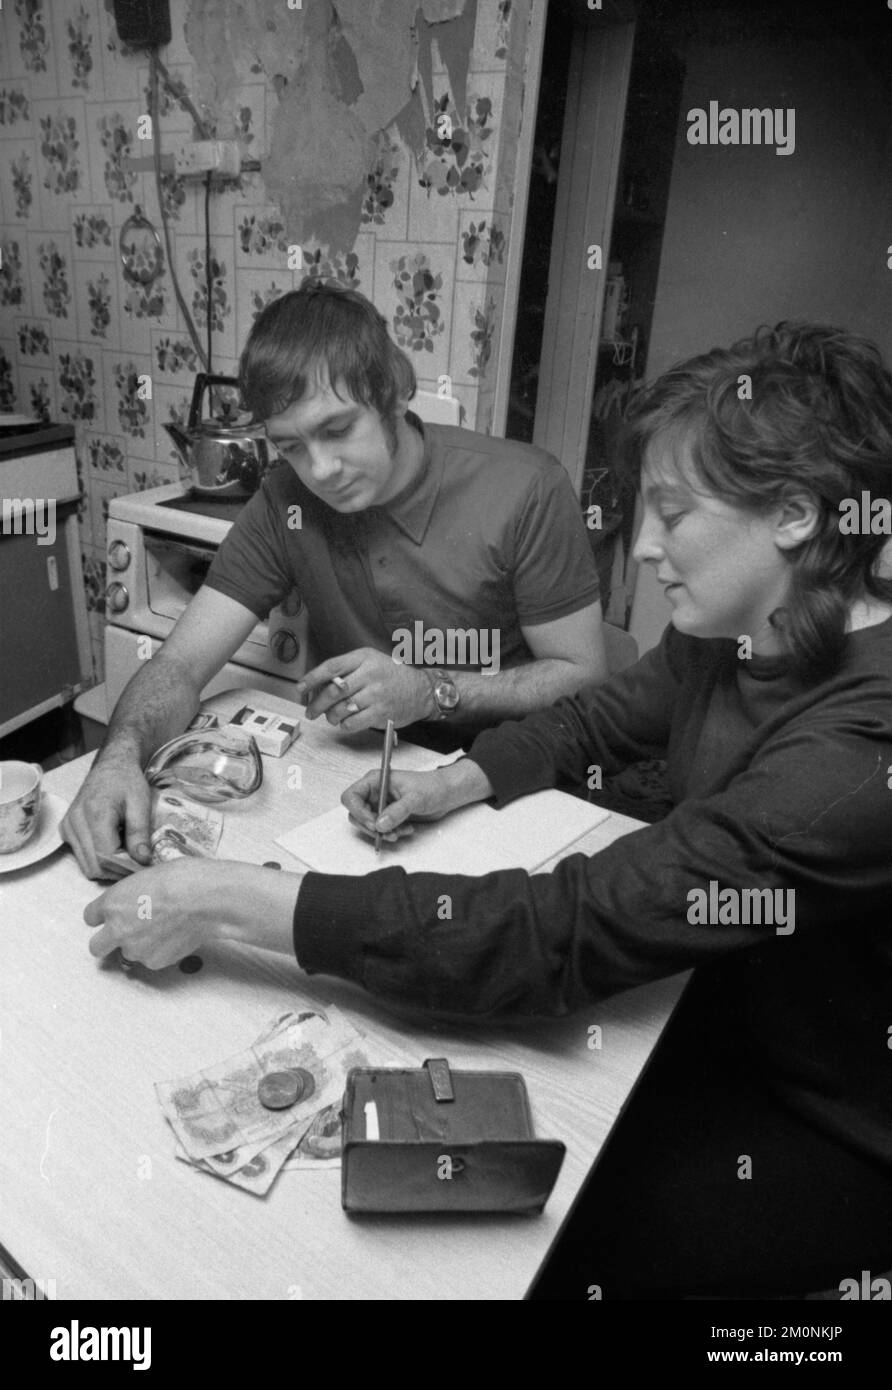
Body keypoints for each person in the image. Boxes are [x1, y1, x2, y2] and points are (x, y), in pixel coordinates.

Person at [83, 322, 892, 1297]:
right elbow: (601, 713)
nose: (638, 548)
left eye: (671, 514)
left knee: (521, 1244)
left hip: (827, 1108)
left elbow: (563, 928)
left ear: (797, 516)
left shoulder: (850, 763)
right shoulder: (743, 620)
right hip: (715, 994)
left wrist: (235, 901)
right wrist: (450, 781)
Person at [63, 283, 605, 879]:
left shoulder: (526, 488)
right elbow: (180, 663)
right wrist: (117, 756)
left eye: (339, 430)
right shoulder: (284, 501)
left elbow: (583, 675)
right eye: (291, 445)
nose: (320, 470)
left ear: (395, 391)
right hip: (356, 788)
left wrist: (432, 689)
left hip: (509, 786)